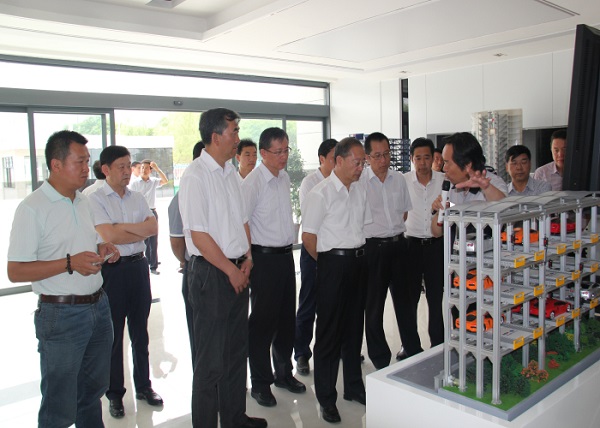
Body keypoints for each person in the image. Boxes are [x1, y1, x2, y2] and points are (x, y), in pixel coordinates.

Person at [7, 130, 119, 427]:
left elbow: (84, 242)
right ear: (56, 165)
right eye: (79, 161)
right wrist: (70, 263)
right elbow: (16, 271)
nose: (87, 168)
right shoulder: (32, 208)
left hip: (98, 307)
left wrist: (101, 247)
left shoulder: (83, 201)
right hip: (61, 314)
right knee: (59, 403)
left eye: (87, 161)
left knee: (93, 393)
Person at [178, 108, 267, 428]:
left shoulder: (230, 172)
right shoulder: (195, 176)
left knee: (235, 354)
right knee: (210, 363)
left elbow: (242, 221)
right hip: (212, 275)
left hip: (237, 270)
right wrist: (231, 271)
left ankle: (234, 419)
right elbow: (199, 236)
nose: (238, 137)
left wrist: (248, 258)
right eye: (234, 131)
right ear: (215, 137)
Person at [88, 145, 163, 419]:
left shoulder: (138, 197)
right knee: (114, 335)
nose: (126, 171)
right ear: (105, 169)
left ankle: (144, 386)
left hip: (138, 267)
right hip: (113, 271)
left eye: (128, 165)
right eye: (120, 166)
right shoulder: (95, 199)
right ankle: (115, 394)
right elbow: (109, 236)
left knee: (141, 331)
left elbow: (152, 228)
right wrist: (129, 231)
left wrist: (120, 228)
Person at [302, 137, 372, 424]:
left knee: (354, 329)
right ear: (339, 161)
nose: (360, 167)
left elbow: (362, 228)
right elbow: (309, 238)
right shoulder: (320, 194)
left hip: (358, 262)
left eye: (363, 163)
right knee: (329, 334)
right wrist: (330, 264)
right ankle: (326, 398)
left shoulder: (360, 190)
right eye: (357, 162)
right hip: (332, 264)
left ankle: (353, 387)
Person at [242, 127, 306, 407]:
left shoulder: (283, 177)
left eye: (286, 150)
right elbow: (242, 222)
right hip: (263, 259)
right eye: (278, 151)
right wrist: (248, 258)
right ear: (263, 153)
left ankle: (283, 374)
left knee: (285, 320)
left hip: (285, 257)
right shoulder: (253, 183)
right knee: (262, 324)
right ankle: (260, 383)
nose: (284, 156)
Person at [360, 132, 415, 368]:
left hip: (399, 246)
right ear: (367, 157)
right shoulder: (360, 182)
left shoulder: (399, 179)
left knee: (406, 304)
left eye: (386, 154)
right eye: (377, 156)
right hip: (373, 249)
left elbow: (404, 213)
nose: (383, 160)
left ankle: (412, 349)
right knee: (374, 307)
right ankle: (380, 358)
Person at [294, 138, 337, 376]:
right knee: (308, 303)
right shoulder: (309, 183)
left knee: (334, 303)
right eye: (333, 158)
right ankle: (301, 353)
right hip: (313, 251)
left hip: (336, 251)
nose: (337, 162)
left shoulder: (343, 181)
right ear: (322, 159)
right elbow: (313, 221)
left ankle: (334, 348)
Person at [404, 138, 445, 354]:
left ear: (434, 158)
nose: (422, 163)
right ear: (411, 159)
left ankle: (438, 346)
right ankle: (410, 346)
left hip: (436, 246)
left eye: (427, 157)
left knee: (435, 298)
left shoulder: (444, 181)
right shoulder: (403, 181)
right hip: (410, 246)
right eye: (418, 158)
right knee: (410, 299)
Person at [168, 140, 204, 366]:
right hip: (197, 270)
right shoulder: (181, 197)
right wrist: (187, 262)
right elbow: (176, 241)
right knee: (200, 335)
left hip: (226, 270)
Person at [432, 132, 508, 236]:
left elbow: (504, 210)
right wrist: (439, 212)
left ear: (467, 164)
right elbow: (436, 233)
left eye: (447, 162)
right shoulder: (451, 186)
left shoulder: (493, 183)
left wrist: (487, 188)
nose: (444, 168)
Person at [129, 159, 168, 274]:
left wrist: (157, 168)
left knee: (154, 240)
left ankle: (153, 266)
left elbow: (165, 181)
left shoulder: (153, 181)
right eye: (142, 167)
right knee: (144, 240)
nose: (143, 170)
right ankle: (146, 262)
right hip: (140, 213)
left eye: (146, 168)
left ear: (150, 170)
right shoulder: (134, 183)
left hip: (152, 212)